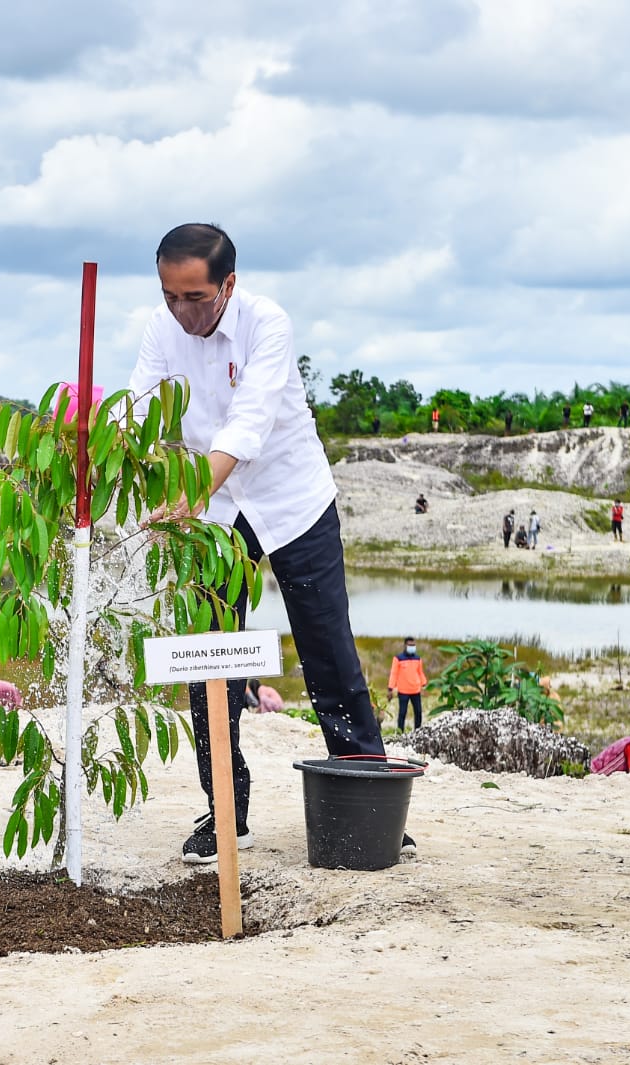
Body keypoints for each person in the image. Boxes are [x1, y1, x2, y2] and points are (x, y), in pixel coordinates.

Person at [128, 223, 401, 864]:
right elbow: (136, 409)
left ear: (227, 284)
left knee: (325, 642)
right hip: (212, 514)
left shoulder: (267, 323)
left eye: (193, 297)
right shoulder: (162, 328)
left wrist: (193, 489)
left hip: (290, 501)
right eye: (169, 295)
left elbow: (251, 418)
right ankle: (226, 808)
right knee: (210, 660)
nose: (180, 310)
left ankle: (365, 784)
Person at [387, 638, 427, 731]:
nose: (412, 647)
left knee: (418, 712)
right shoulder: (398, 659)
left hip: (416, 690)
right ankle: (400, 732)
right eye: (410, 645)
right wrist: (390, 688)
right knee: (402, 713)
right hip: (403, 691)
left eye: (413, 645)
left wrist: (424, 684)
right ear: (405, 646)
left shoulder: (418, 659)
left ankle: (418, 731)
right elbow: (394, 674)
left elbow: (420, 672)